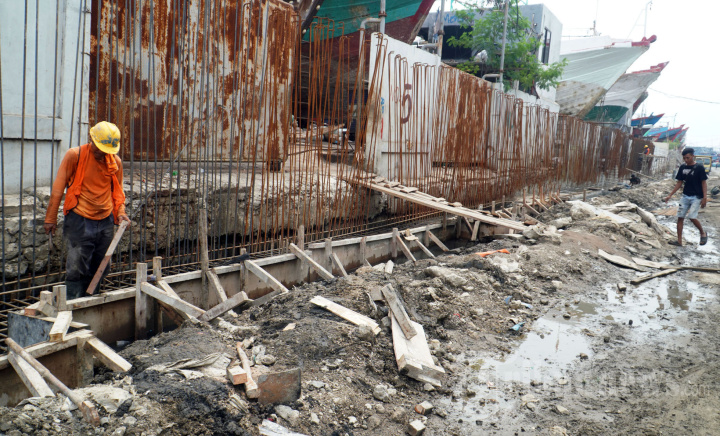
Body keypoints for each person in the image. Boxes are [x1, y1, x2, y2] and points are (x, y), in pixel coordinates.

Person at [44, 122, 131, 299]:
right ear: (91, 138)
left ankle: (91, 300)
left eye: (106, 150)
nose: (102, 153)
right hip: (80, 219)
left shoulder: (114, 162)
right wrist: (50, 218)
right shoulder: (75, 155)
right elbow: (58, 189)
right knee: (77, 267)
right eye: (99, 148)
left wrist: (121, 212)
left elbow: (117, 192)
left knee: (101, 266)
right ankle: (72, 302)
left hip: (105, 220)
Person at [663, 147, 708, 246]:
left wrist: (704, 198)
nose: (686, 160)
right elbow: (679, 182)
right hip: (685, 196)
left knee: (692, 217)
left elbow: (703, 183)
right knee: (680, 217)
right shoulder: (683, 167)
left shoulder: (699, 167)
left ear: (693, 156)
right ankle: (679, 241)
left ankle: (702, 233)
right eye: (684, 158)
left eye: (688, 158)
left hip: (696, 197)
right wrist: (670, 195)